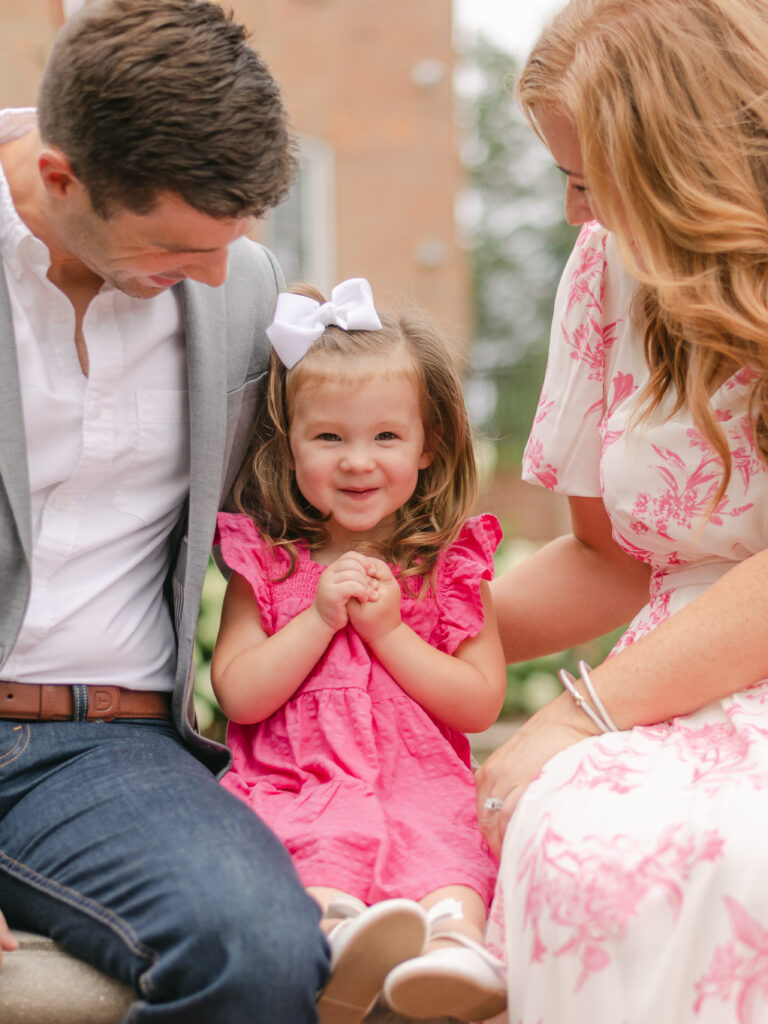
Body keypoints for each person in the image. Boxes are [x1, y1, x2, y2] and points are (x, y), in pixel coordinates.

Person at [0, 1, 330, 1020]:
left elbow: (291, 523)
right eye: (178, 249)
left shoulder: (241, 287)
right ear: (61, 179)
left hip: (103, 751)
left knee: (261, 947)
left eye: (231, 244)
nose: (218, 277)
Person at [475, 0, 768, 1020]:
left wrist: (575, 713)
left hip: (706, 676)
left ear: (677, 162)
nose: (572, 214)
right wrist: (415, 627)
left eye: (589, 182)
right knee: (571, 833)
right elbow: (606, 560)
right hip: (668, 677)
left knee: (741, 851)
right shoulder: (602, 270)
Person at [211, 278, 508, 1024]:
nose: (357, 461)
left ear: (427, 445)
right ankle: (340, 946)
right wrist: (317, 619)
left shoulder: (447, 567)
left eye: (385, 437)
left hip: (418, 783)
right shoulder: (270, 566)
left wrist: (388, 631)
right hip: (300, 783)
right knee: (308, 853)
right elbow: (240, 694)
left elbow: (478, 702)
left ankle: (454, 953)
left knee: (450, 857)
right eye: (329, 437)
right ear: (291, 445)